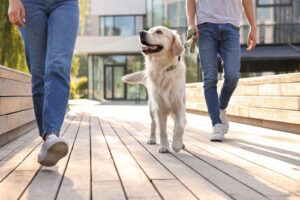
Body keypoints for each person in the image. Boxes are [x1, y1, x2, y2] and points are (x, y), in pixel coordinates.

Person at [8, 0, 79, 166]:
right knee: (39, 74)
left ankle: (51, 135)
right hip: (29, 4)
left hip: (66, 3)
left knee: (59, 65)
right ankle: (48, 139)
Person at [186, 0, 257, 141]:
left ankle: (221, 107)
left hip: (231, 26)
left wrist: (253, 26)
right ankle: (216, 124)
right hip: (205, 26)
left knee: (232, 75)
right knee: (210, 76)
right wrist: (191, 23)